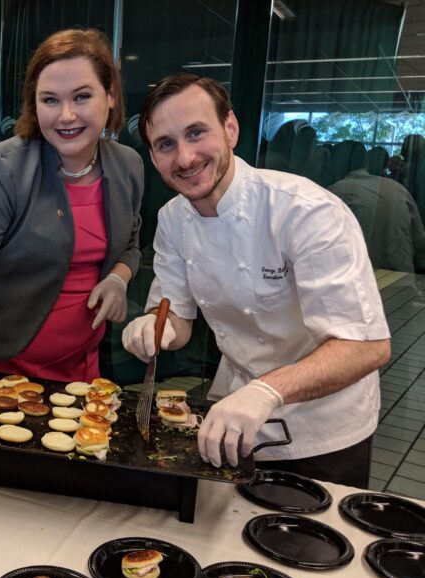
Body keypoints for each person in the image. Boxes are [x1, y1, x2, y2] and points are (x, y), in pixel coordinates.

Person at [122, 73, 391, 487]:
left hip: (323, 429)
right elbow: (174, 318)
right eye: (166, 144)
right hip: (230, 410)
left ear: (230, 128)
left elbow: (366, 346)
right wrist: (152, 331)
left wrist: (266, 392)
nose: (186, 158)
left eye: (197, 133)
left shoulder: (305, 211)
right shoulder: (173, 219)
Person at [0, 29, 143, 391]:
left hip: (79, 370)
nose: (66, 115)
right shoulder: (5, 168)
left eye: (82, 96)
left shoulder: (127, 165)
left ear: (111, 95)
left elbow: (131, 243)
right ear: (34, 105)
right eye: (50, 100)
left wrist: (119, 277)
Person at [328, 140, 425, 273]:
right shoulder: (396, 188)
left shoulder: (333, 193)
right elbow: (420, 241)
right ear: (366, 163)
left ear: (335, 164)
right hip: (402, 281)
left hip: (358, 280)